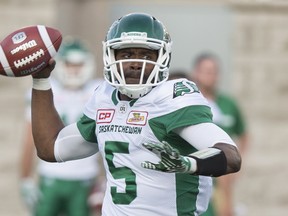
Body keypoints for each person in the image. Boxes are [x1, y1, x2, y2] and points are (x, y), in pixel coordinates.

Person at [29, 13, 241, 216]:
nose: (135, 63)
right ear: (111, 55)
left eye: (147, 55)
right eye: (127, 54)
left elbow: (230, 156)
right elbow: (50, 147)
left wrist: (189, 163)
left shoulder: (171, 98)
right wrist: (40, 80)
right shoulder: (104, 97)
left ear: (163, 56)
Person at [19, 38, 105, 216]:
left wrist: (105, 179)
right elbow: (29, 139)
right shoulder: (47, 89)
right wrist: (25, 178)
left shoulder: (99, 90)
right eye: (69, 63)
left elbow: (109, 138)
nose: (74, 69)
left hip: (85, 178)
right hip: (50, 176)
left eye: (79, 64)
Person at [191, 53, 249, 216]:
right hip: (196, 171)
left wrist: (238, 161)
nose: (211, 75)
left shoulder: (228, 103)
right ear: (196, 73)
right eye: (206, 71)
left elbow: (244, 134)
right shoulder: (190, 103)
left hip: (222, 176)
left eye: (214, 71)